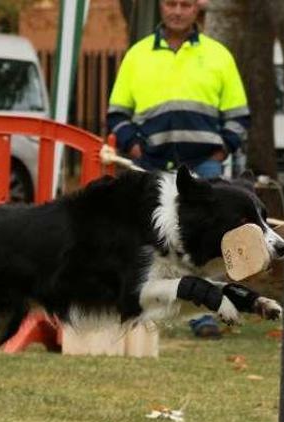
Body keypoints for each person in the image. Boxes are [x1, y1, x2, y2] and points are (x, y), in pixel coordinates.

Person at [107, 0, 250, 339]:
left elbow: (240, 116)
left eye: (185, 4)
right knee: (147, 241)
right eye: (171, 3)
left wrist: (220, 150)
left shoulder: (219, 56)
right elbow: (116, 113)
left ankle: (204, 313)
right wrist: (135, 146)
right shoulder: (138, 54)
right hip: (151, 164)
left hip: (203, 166)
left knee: (207, 243)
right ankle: (146, 314)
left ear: (196, 9)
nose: (177, 11)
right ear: (160, 6)